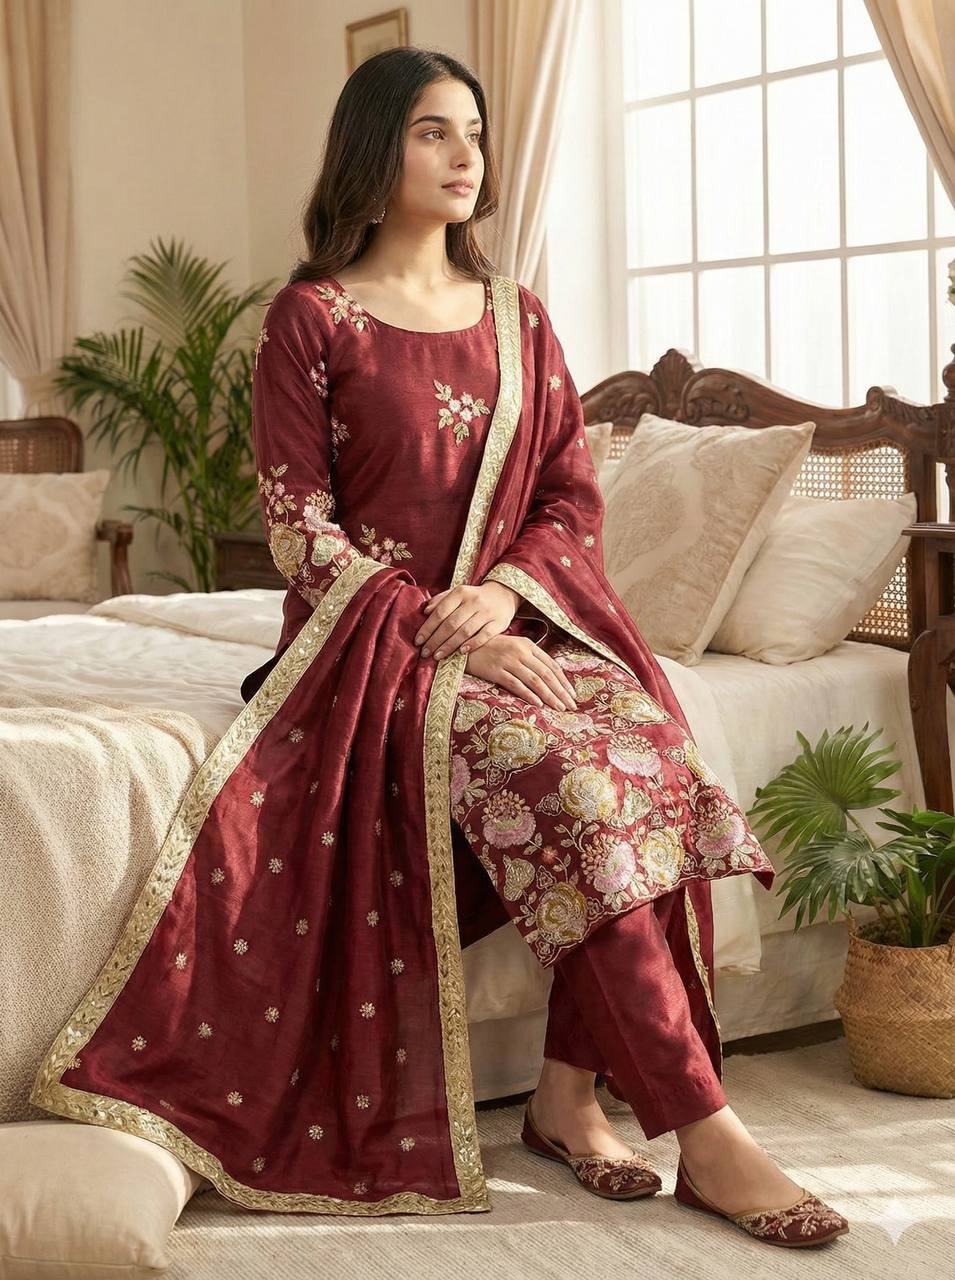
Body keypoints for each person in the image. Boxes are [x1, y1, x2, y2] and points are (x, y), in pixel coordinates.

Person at [31, 46, 848, 1246]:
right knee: (570, 782)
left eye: (472, 130)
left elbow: (570, 495)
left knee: (647, 755)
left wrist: (506, 594)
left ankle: (566, 1097)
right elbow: (295, 523)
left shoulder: (520, 318)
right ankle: (707, 1130)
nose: (465, 154)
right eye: (432, 131)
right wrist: (428, 618)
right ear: (375, 147)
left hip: (522, 621)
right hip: (374, 645)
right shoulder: (312, 317)